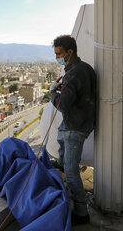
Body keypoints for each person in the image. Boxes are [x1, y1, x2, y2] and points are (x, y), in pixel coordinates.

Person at [50, 35, 96, 226]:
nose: (57, 58)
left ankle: (81, 211)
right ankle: (61, 163)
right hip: (81, 122)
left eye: (59, 54)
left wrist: (53, 93)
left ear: (70, 52)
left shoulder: (73, 74)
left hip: (75, 127)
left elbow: (63, 106)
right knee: (60, 135)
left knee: (71, 171)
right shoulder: (85, 68)